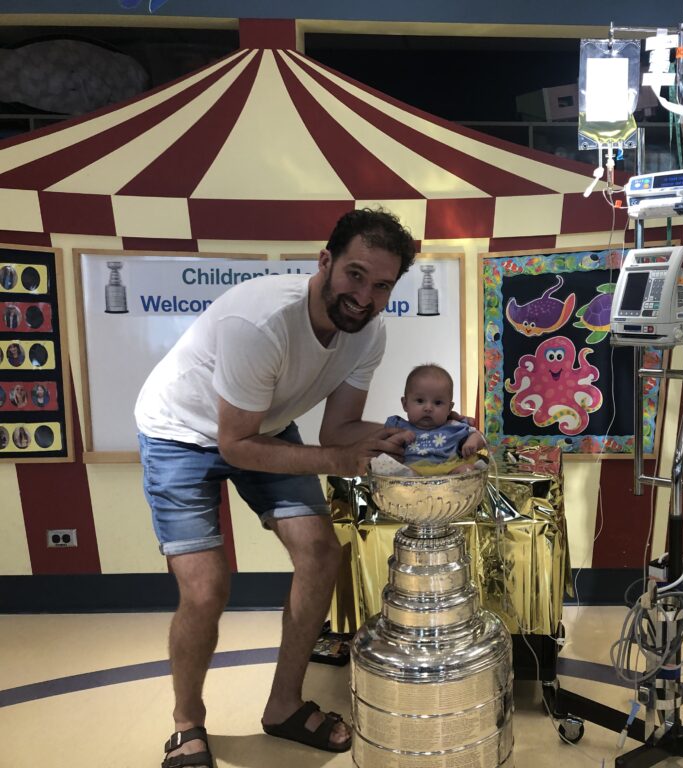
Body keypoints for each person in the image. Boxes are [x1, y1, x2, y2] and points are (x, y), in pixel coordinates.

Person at [134, 208, 417, 768]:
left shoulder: (369, 334)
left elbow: (338, 430)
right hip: (180, 432)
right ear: (324, 261)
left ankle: (283, 706)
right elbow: (236, 444)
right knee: (207, 587)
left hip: (260, 425)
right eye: (355, 275)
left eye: (382, 285)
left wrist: (418, 437)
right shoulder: (261, 322)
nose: (365, 296)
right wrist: (340, 459)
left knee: (320, 552)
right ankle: (186, 722)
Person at [382, 364, 486, 473]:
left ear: (449, 409)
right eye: (420, 401)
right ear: (405, 404)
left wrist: (472, 441)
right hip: (411, 473)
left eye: (437, 403)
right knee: (389, 468)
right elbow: (384, 448)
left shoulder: (453, 427)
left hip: (448, 473)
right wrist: (398, 438)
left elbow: (479, 436)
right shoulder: (399, 427)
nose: (428, 408)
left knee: (467, 469)